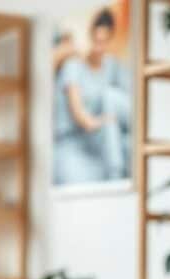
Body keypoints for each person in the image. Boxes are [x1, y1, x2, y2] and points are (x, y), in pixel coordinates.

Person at [53, 8, 132, 187]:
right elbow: (81, 116)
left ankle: (117, 173)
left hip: (97, 142)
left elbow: (128, 102)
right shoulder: (73, 67)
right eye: (96, 40)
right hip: (73, 143)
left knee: (112, 100)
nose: (99, 47)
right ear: (89, 36)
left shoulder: (111, 65)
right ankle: (115, 173)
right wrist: (102, 122)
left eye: (104, 41)